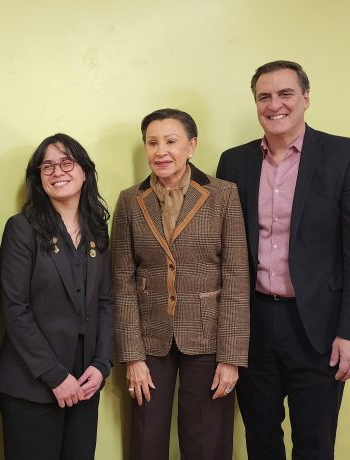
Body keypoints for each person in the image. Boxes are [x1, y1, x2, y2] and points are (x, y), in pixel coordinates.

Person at [217, 60, 350, 459]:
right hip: (253, 324)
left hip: (319, 328)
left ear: (305, 98)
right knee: (261, 437)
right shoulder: (233, 162)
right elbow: (221, 248)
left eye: (285, 93)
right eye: (264, 96)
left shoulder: (344, 154)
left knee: (314, 440)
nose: (275, 104)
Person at [112, 108, 250, 460]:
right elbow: (122, 282)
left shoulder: (223, 195)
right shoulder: (130, 200)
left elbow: (236, 278)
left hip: (208, 336)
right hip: (149, 338)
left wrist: (231, 357)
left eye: (171, 141)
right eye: (153, 142)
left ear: (192, 145)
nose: (161, 151)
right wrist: (132, 356)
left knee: (207, 442)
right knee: (146, 440)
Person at [0, 133, 113, 460]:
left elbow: (106, 302)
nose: (57, 171)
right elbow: (14, 309)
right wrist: (55, 376)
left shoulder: (98, 231)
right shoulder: (22, 228)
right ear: (38, 178)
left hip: (85, 381)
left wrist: (102, 365)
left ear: (85, 171)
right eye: (47, 166)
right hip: (32, 384)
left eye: (66, 162)